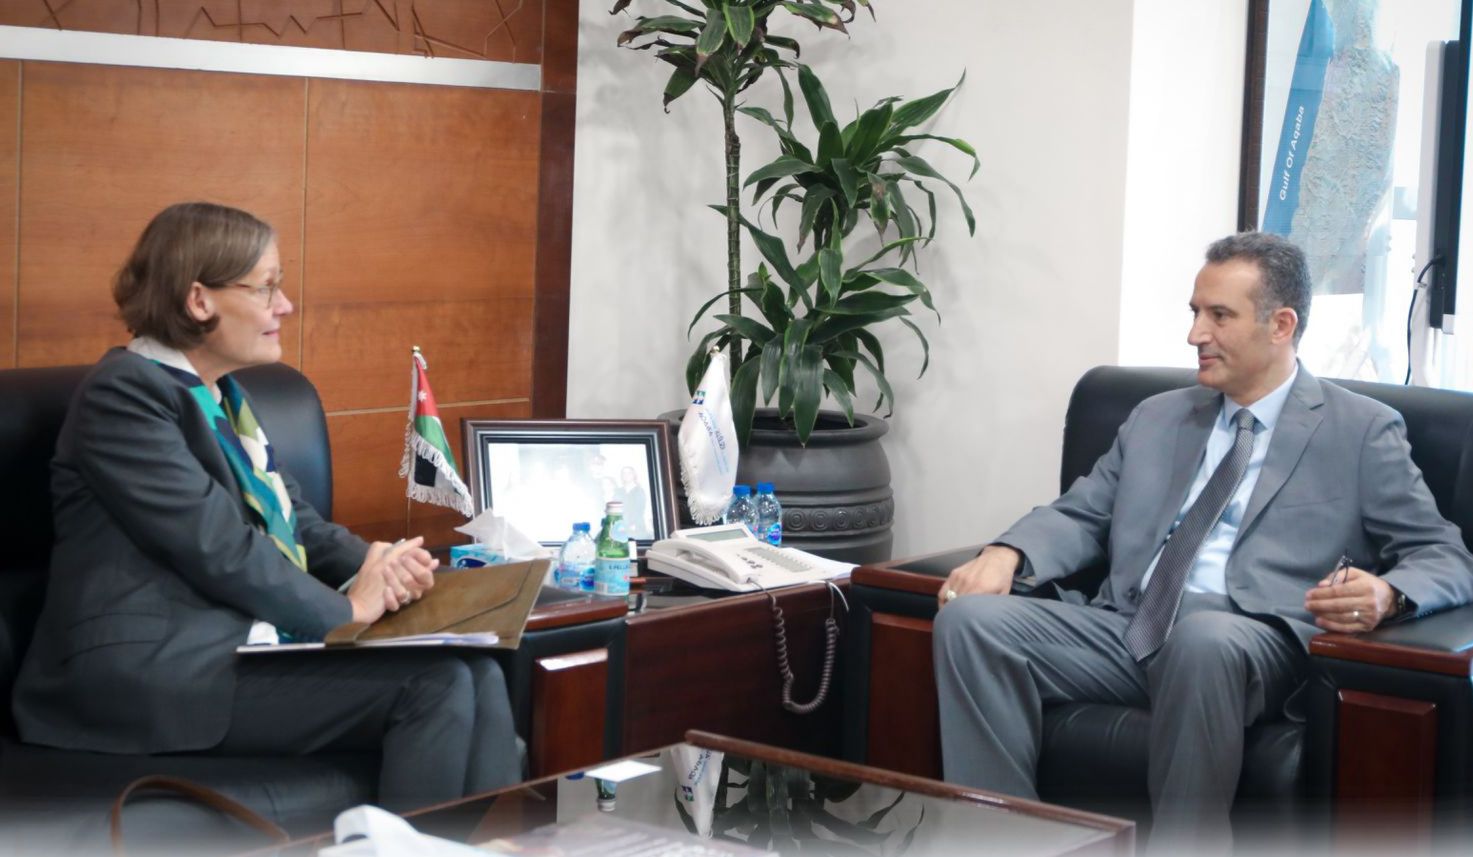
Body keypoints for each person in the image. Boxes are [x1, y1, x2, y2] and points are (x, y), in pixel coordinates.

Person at [932, 232, 1473, 852]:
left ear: (1281, 325)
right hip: (1130, 628)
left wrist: (1388, 594)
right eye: (1195, 312)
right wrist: (1006, 554)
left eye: (1219, 315)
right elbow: (1081, 514)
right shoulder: (1156, 416)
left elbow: (1444, 554)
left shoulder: (1360, 430)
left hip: (1251, 640)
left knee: (1203, 639)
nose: (1196, 334)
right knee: (970, 621)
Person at [11, 202, 520, 811]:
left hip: (230, 649)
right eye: (266, 288)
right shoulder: (123, 396)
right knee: (433, 685)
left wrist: (380, 564)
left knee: (479, 673)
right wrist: (345, 610)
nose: (286, 306)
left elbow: (294, 521)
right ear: (199, 300)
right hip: (145, 673)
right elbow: (218, 545)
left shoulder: (221, 395)